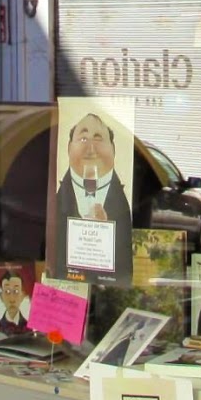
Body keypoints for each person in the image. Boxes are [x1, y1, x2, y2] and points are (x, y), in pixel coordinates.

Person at [54, 112, 132, 278]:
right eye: (83, 139)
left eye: (98, 139)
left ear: (113, 148)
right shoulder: (53, 202)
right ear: (69, 148)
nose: (90, 149)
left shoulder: (130, 202)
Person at [0, 269, 30, 334]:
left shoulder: (29, 328)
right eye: (7, 291)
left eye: (16, 291)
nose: (12, 299)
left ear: (22, 296)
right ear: (1, 297)